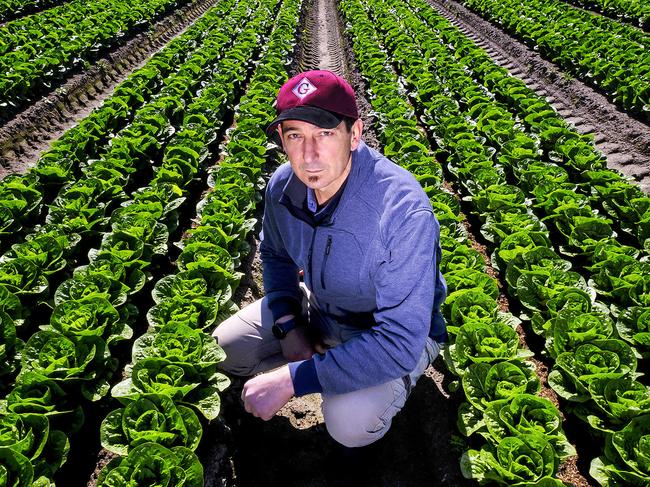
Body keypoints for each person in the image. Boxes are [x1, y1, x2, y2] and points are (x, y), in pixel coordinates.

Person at [213, 69, 447, 464]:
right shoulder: (283, 186)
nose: (309, 154)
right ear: (282, 142)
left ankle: (384, 383)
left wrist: (293, 379)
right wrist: (288, 324)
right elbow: (275, 256)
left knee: (350, 424)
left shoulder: (402, 211)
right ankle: (328, 366)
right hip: (321, 306)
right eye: (295, 136)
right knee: (224, 350)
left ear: (354, 134)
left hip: (387, 332)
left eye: (324, 133)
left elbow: (400, 338)